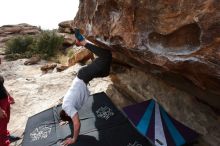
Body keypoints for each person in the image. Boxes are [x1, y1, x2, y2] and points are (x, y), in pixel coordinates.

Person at [60, 28, 112, 146]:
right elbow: (71, 119)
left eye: (70, 118)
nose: (74, 117)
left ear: (67, 113)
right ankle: (98, 60)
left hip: (84, 76)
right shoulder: (67, 107)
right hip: (84, 77)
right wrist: (65, 121)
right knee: (105, 72)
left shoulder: (68, 107)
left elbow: (77, 123)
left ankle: (82, 42)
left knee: (106, 55)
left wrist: (73, 139)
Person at [0, 75, 20, 146]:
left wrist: (8, 95)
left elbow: (1, 85)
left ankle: (6, 136)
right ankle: (3, 143)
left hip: (4, 100)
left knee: (5, 121)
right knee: (1, 125)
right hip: (0, 103)